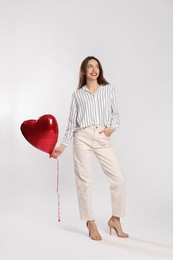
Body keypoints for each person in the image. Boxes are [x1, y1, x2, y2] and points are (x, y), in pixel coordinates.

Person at [51, 56, 128, 240]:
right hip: (82, 137)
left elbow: (115, 114)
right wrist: (62, 146)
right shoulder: (77, 95)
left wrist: (110, 129)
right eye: (89, 66)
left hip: (102, 136)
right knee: (85, 181)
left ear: (99, 70)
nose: (94, 69)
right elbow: (71, 124)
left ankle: (115, 219)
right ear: (84, 72)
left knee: (119, 180)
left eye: (96, 66)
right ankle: (90, 221)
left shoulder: (108, 90)